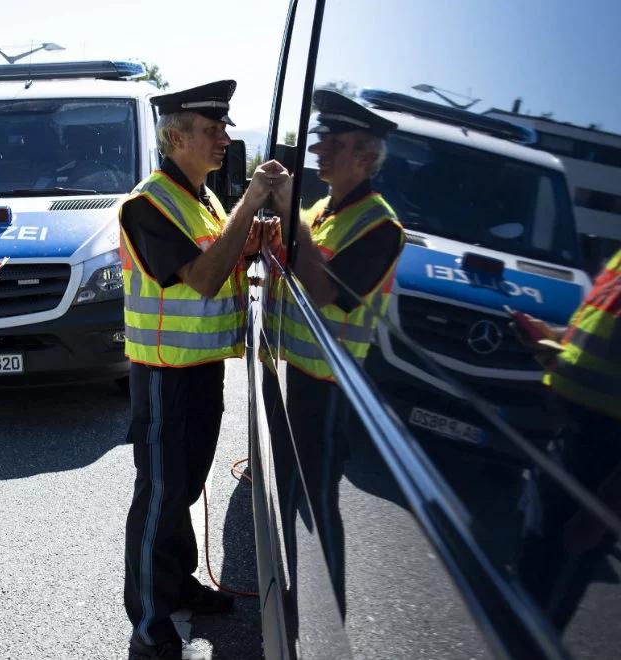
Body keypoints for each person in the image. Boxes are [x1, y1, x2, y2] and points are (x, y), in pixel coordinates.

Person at [119, 80, 278, 660]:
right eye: (213, 130)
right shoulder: (147, 204)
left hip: (200, 369)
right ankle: (149, 615)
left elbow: (221, 257)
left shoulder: (202, 198)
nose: (224, 139)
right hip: (165, 375)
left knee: (183, 489)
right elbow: (205, 277)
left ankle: (178, 586)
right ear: (175, 137)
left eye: (225, 129)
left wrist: (252, 239)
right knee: (160, 496)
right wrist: (252, 205)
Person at [261, 89, 403, 619]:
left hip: (328, 386)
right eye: (320, 139)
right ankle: (294, 600)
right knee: (293, 499)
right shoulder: (324, 209)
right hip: (294, 373)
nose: (318, 150)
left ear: (365, 158)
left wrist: (289, 211)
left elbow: (322, 292)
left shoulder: (381, 228)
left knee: (319, 506)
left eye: (333, 143)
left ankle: (327, 619)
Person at [515, 246, 621, 629]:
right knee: (528, 588)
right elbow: (590, 340)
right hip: (568, 440)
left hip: (603, 462)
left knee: (543, 611)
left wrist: (601, 511)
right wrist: (551, 337)